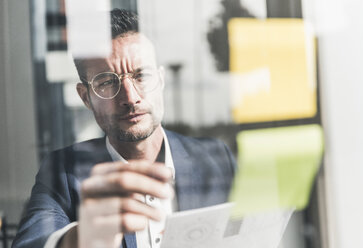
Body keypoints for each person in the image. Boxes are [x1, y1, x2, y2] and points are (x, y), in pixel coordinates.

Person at [12, 9, 236, 248]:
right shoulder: (62, 172)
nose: (130, 97)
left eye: (141, 75)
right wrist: (80, 238)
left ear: (160, 80)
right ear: (85, 97)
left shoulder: (216, 158)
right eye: (107, 82)